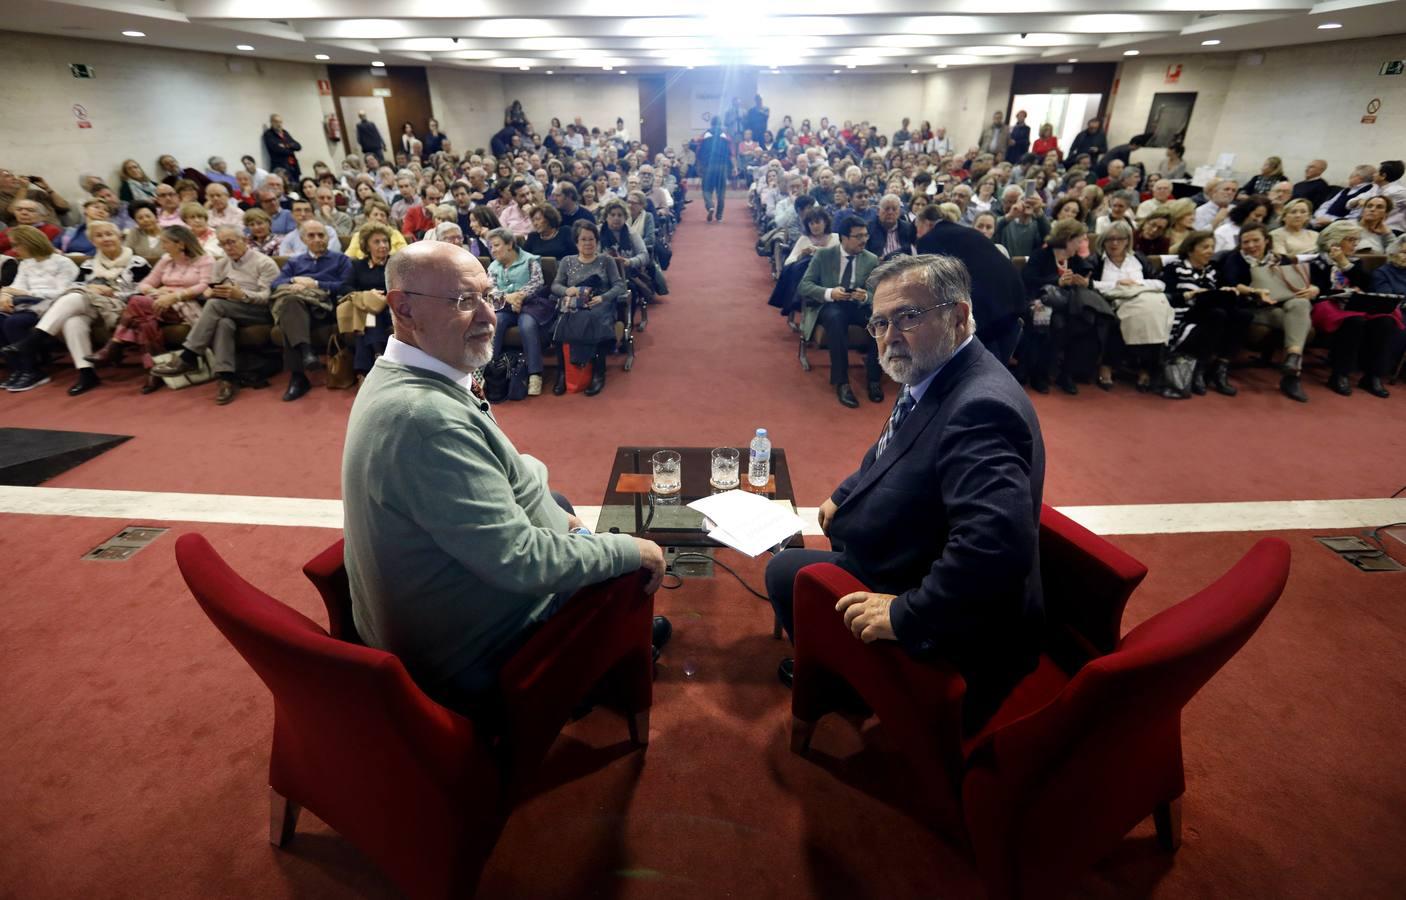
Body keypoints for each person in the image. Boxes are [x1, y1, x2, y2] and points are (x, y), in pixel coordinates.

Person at [340, 239, 665, 712]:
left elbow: (504, 466)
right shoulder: (424, 419)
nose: (489, 317)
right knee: (627, 567)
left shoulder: (400, 372)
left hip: (433, 607)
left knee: (555, 501)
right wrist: (631, 549)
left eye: (487, 297)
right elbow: (524, 562)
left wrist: (552, 513)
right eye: (463, 302)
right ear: (403, 308)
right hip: (466, 655)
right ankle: (600, 658)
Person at [765, 253, 1045, 731]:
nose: (890, 335)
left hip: (945, 612)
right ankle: (846, 668)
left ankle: (852, 688)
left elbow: (995, 550)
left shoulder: (980, 409)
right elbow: (894, 445)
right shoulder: (937, 368)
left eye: (908, 317)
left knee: (786, 573)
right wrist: (847, 490)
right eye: (879, 322)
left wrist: (905, 614)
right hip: (913, 543)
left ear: (958, 316)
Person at [3, 221, 148, 396]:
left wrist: (113, 293)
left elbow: (143, 291)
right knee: (73, 319)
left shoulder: (137, 262)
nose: (105, 239)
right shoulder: (88, 265)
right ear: (93, 241)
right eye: (99, 236)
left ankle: (33, 340)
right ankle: (87, 373)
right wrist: (92, 289)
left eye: (109, 234)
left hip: (119, 306)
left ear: (120, 237)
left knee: (76, 296)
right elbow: (77, 285)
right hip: (90, 304)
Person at [148, 227, 279, 404]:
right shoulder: (221, 264)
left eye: (231, 242)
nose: (227, 247)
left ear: (245, 241)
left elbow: (268, 298)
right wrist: (210, 292)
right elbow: (210, 289)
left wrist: (241, 295)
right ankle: (226, 378)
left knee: (216, 306)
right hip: (228, 308)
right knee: (223, 322)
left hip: (259, 311)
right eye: (223, 244)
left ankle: (189, 356)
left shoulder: (264, 263)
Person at [87, 225, 213, 393]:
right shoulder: (166, 259)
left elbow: (205, 285)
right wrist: (157, 291)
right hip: (159, 303)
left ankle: (115, 345)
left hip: (187, 305)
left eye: (165, 242)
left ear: (180, 244)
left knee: (136, 302)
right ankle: (155, 371)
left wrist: (175, 295)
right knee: (145, 322)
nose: (162, 246)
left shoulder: (205, 259)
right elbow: (145, 283)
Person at [914, 204, 1028, 364]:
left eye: (917, 226)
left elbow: (933, 281)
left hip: (988, 312)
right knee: (1000, 366)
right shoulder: (966, 232)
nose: (917, 232)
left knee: (983, 370)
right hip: (1015, 302)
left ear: (927, 223)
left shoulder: (930, 238)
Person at [1215, 223, 1317, 402]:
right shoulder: (1235, 259)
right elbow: (1232, 283)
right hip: (1254, 308)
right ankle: (1292, 376)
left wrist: (1313, 289)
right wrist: (1255, 291)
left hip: (1283, 305)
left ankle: (1293, 359)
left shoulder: (1280, 259)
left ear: (1266, 241)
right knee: (1300, 325)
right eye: (1246, 242)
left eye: (1256, 240)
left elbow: (1301, 283)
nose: (1251, 246)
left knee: (1301, 303)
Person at [798, 214, 883, 408]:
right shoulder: (824, 255)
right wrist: (829, 292)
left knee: (880, 322)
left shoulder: (870, 259)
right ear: (843, 238)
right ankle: (842, 381)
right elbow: (804, 286)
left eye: (865, 236)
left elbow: (876, 292)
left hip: (857, 305)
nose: (864, 240)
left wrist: (865, 296)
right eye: (858, 236)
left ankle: (874, 378)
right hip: (830, 305)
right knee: (836, 319)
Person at [1017, 219, 1110, 394]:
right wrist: (1056, 281)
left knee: (1083, 321)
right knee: (1053, 321)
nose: (1082, 244)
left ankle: (1067, 372)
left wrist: (1084, 283)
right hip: (1039, 300)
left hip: (1066, 305)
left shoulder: (1075, 260)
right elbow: (1028, 280)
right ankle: (1038, 373)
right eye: (1080, 240)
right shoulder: (1042, 255)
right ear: (1068, 239)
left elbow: (1087, 279)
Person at [1306, 221, 1398, 398]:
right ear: (1335, 240)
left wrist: (1344, 264)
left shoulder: (1354, 263)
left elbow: (1366, 284)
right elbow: (1316, 289)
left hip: (1352, 305)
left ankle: (1372, 375)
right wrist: (1342, 290)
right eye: (1351, 240)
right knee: (1354, 321)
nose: (1355, 244)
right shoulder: (1316, 261)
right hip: (1326, 306)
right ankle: (1339, 374)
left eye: (1357, 240)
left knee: (1385, 321)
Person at [1159, 230, 1250, 398]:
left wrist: (1226, 290)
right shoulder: (1175, 268)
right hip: (1183, 314)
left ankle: (1220, 366)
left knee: (1242, 315)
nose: (1210, 251)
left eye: (1212, 247)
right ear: (1190, 249)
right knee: (1217, 314)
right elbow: (1166, 297)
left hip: (1208, 312)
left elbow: (1221, 290)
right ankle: (1199, 368)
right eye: (1205, 247)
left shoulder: (1213, 270)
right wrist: (1190, 295)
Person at [269, 220, 352, 401]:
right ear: (303, 239)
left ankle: (299, 375)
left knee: (289, 312)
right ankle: (305, 358)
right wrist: (294, 282)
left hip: (326, 308)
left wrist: (315, 284)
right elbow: (275, 284)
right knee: (291, 303)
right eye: (311, 236)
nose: (317, 239)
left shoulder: (340, 260)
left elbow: (347, 286)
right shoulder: (295, 262)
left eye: (321, 235)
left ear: (327, 237)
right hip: (299, 311)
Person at [1090, 221, 1174, 391]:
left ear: (1127, 241)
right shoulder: (1097, 260)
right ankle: (1107, 366)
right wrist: (1117, 284)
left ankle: (1146, 368)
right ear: (1103, 241)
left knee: (1156, 314)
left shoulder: (1138, 259)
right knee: (1119, 320)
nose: (1114, 243)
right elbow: (1090, 284)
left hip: (1143, 297)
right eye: (1110, 239)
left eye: (1119, 239)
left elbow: (1159, 282)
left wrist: (1135, 284)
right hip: (1114, 300)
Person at [0, 226, 80, 392]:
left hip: (52, 306)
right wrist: (6, 295)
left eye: (17, 245)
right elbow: (15, 287)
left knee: (14, 322)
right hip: (24, 304)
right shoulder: (26, 264)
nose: (14, 250)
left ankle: (33, 371)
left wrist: (24, 292)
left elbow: (61, 291)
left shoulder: (63, 262)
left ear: (31, 243)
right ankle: (18, 368)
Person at [550, 220, 624, 397]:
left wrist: (602, 297)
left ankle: (598, 372)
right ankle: (563, 373)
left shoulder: (606, 260)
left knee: (591, 319)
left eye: (591, 239)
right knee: (562, 323)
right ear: (576, 242)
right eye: (583, 239)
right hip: (575, 304)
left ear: (597, 241)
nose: (588, 243)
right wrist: (568, 290)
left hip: (599, 304)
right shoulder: (567, 261)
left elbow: (620, 286)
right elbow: (555, 286)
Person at [485, 228, 552, 397]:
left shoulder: (530, 260)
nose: (493, 250)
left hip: (531, 304)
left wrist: (519, 296)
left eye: (496, 245)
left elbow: (537, 282)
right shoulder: (493, 266)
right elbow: (490, 290)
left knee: (527, 325)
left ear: (509, 245)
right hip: (506, 306)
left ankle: (534, 374)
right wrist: (509, 298)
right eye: (491, 247)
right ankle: (491, 371)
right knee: (496, 321)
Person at [698, 117, 732, 223]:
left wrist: (700, 165)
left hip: (709, 167)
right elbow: (731, 152)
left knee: (706, 190)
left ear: (711, 124)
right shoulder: (725, 136)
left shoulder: (705, 135)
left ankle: (710, 206)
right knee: (721, 193)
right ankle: (719, 216)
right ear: (720, 124)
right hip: (722, 167)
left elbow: (698, 150)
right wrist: (732, 168)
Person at [866, 194, 915, 258]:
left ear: (899, 212)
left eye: (894, 209)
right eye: (887, 209)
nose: (890, 212)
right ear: (878, 211)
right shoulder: (868, 228)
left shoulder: (908, 228)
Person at [262, 114, 302, 182]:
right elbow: (278, 150)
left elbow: (298, 146)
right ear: (271, 122)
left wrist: (287, 145)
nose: (279, 124)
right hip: (281, 168)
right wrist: (291, 148)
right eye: (276, 122)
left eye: (280, 122)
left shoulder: (285, 133)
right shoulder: (268, 134)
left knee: (297, 187)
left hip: (293, 166)